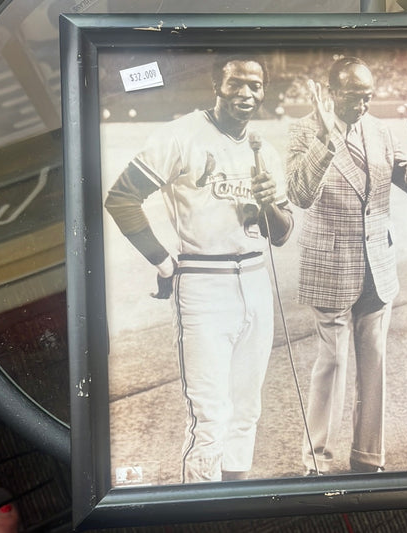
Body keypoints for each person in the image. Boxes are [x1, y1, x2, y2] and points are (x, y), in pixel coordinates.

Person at [104, 53, 293, 483]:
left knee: (247, 411)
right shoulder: (182, 135)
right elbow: (121, 198)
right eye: (236, 84)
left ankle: (235, 503)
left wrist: (267, 203)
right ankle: (203, 507)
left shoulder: (265, 151)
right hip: (205, 285)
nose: (246, 93)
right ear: (216, 87)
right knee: (210, 420)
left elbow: (281, 233)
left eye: (255, 86)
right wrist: (162, 260)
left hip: (256, 279)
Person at [286, 56, 407, 475]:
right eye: (355, 96)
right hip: (331, 266)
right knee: (332, 364)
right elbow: (299, 193)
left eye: (368, 96)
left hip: (378, 265)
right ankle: (316, 461)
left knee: (374, 363)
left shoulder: (380, 130)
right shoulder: (303, 130)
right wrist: (326, 135)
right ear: (332, 92)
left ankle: (368, 457)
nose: (363, 104)